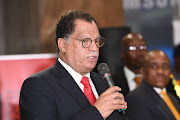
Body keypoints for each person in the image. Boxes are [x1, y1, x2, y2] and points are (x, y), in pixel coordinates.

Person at [19, 10, 127, 120]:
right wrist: (97, 112)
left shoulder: (101, 81)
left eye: (97, 41)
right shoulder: (38, 85)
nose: (94, 48)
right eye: (85, 41)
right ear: (62, 45)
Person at [126, 50, 180, 120]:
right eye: (154, 66)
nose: (160, 71)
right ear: (142, 71)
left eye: (165, 66)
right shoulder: (135, 98)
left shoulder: (173, 99)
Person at [112, 33, 148, 97]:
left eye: (142, 47)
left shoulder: (155, 78)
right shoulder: (112, 83)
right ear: (122, 53)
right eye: (132, 48)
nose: (139, 52)